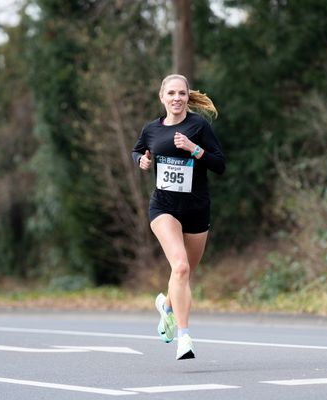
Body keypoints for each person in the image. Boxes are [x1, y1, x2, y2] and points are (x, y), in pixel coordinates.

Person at [131, 74, 225, 360]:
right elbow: (137, 151)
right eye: (171, 93)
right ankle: (184, 337)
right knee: (181, 267)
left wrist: (194, 149)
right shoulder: (151, 130)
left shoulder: (199, 126)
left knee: (182, 274)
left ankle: (167, 308)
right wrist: (142, 160)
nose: (177, 98)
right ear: (162, 97)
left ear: (187, 97)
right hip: (164, 208)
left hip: (197, 210)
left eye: (182, 93)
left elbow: (219, 164)